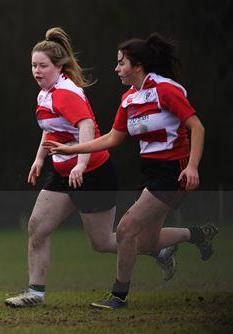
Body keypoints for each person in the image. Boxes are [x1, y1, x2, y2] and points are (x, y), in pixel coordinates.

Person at [44, 33, 218, 309]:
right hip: (150, 172)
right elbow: (113, 138)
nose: (116, 69)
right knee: (147, 243)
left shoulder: (166, 90)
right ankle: (196, 235)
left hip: (174, 170)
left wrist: (193, 166)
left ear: (137, 66)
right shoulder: (128, 99)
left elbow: (197, 127)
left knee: (125, 229)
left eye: (121, 63)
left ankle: (118, 296)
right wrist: (71, 149)